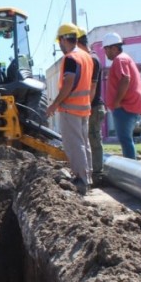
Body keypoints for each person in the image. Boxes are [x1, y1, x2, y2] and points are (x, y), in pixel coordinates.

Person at [47, 23, 93, 195]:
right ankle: (88, 178)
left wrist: (54, 104)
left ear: (64, 39)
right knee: (84, 143)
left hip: (70, 108)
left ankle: (81, 180)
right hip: (84, 107)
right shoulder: (86, 56)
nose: (59, 45)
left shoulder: (71, 58)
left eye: (59, 41)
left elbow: (68, 84)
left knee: (75, 144)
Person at [102, 32, 141, 160]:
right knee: (127, 139)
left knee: (125, 140)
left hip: (125, 107)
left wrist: (116, 102)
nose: (105, 53)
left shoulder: (120, 59)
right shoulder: (125, 58)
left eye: (106, 49)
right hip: (131, 106)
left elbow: (125, 79)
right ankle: (132, 164)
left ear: (114, 48)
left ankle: (131, 167)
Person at [76, 27, 106, 184]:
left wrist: (85, 107)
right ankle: (91, 173)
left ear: (78, 43)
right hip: (90, 106)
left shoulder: (92, 60)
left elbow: (92, 87)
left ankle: (97, 174)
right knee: (88, 140)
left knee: (94, 140)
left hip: (93, 107)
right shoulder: (88, 59)